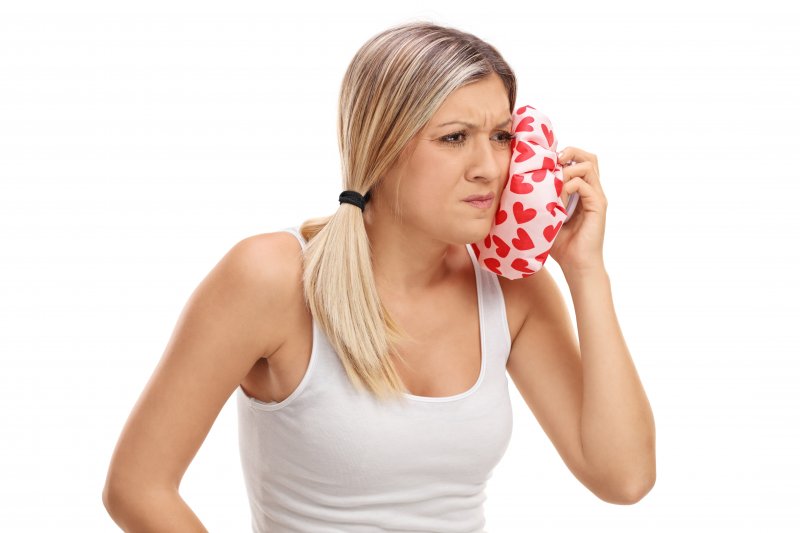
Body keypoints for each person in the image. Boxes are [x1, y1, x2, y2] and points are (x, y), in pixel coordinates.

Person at [102, 20, 656, 532]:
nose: (490, 166)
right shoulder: (272, 278)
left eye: (502, 136)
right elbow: (137, 487)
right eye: (455, 137)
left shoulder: (511, 288)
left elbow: (623, 478)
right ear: (383, 147)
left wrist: (586, 271)